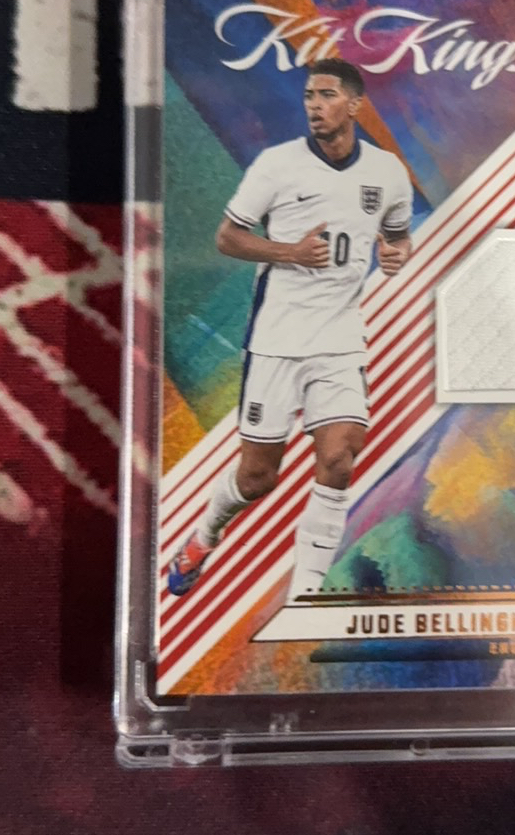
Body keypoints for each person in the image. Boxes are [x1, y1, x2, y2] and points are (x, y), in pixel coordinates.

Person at [168, 58, 413, 601]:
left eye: (326, 95)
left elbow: (397, 236)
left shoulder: (387, 173)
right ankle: (203, 537)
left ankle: (306, 592)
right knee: (257, 478)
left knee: (339, 459)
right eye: (308, 96)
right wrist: (290, 252)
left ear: (354, 104)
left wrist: (397, 253)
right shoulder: (277, 165)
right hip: (277, 340)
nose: (314, 106)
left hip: (340, 339)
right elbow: (227, 237)